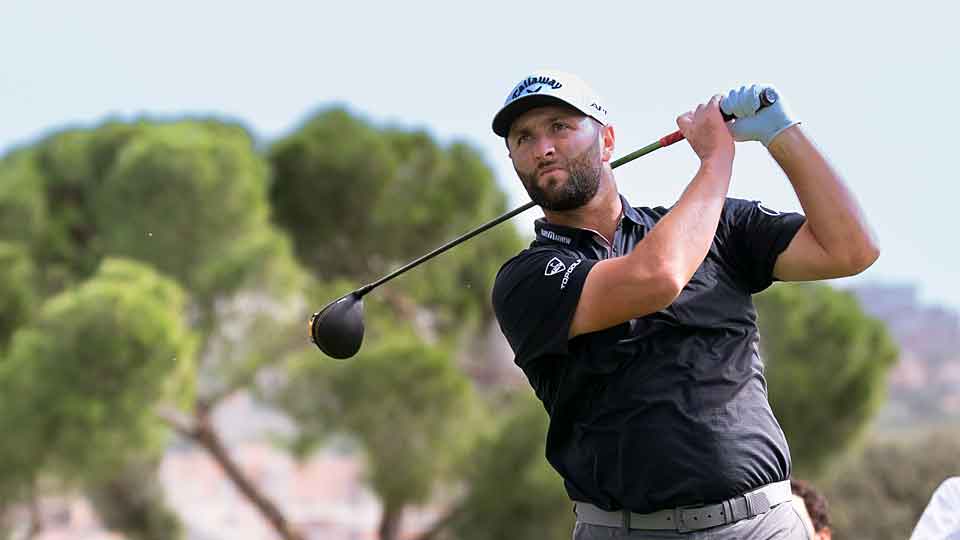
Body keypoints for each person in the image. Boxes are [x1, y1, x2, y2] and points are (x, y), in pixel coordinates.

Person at [490, 69, 879, 539]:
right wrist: (716, 159)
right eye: (523, 138)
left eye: (559, 127)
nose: (543, 148)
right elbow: (658, 277)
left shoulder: (721, 227)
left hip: (764, 525)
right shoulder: (527, 278)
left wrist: (782, 133)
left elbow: (852, 248)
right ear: (513, 159)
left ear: (608, 141)